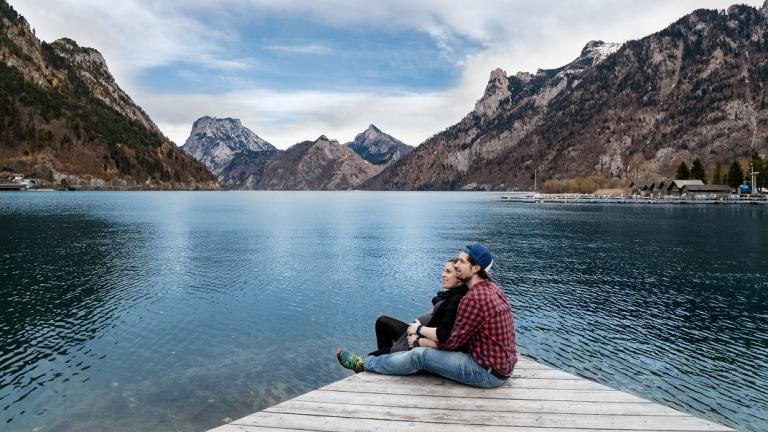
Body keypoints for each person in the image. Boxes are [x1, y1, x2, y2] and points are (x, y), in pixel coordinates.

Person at [336, 244, 517, 389]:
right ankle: (378, 364)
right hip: (501, 366)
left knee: (420, 357)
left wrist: (418, 339)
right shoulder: (493, 288)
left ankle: (364, 364)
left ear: (476, 268)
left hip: (485, 372)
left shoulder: (474, 298)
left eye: (461, 262)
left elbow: (450, 342)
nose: (456, 265)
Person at [369, 258, 468, 356]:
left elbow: (443, 334)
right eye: (444, 270)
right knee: (382, 322)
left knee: (372, 357)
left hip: (417, 343)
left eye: (448, 272)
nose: (443, 274)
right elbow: (437, 300)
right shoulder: (452, 295)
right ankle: (387, 358)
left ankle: (387, 358)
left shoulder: (456, 299)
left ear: (460, 276)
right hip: (417, 335)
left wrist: (418, 332)